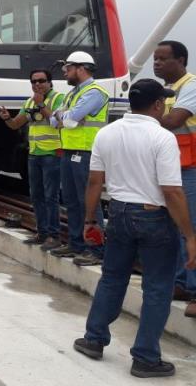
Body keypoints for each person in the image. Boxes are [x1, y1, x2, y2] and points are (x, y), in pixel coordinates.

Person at [72, 79, 196, 378]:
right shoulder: (162, 137)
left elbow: (94, 182)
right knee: (157, 287)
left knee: (113, 279)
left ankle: (94, 339)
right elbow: (172, 192)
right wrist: (190, 235)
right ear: (157, 105)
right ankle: (145, 358)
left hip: (118, 212)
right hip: (154, 216)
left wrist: (90, 220)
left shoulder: (107, 133)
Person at [49, 51, 109, 266]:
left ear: (81, 68)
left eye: (68, 68)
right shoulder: (72, 94)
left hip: (86, 153)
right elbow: (54, 120)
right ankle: (76, 244)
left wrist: (62, 116)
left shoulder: (95, 92)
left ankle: (95, 249)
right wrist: (62, 116)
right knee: (72, 201)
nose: (65, 72)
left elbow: (71, 119)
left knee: (89, 203)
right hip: (69, 151)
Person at [152, 40, 196, 317]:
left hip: (191, 168)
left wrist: (148, 111)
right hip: (171, 169)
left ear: (180, 61)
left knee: (191, 229)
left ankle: (194, 291)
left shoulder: (190, 86)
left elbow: (172, 121)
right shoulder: (166, 93)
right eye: (154, 59)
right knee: (174, 231)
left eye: (162, 59)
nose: (155, 63)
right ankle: (180, 283)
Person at [0, 69, 65, 250]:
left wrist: (42, 104)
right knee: (36, 195)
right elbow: (15, 124)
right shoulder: (29, 102)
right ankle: (42, 233)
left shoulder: (59, 98)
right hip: (34, 154)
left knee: (51, 196)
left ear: (50, 82)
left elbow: (59, 122)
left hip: (52, 154)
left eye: (41, 81)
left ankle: (54, 235)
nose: (37, 84)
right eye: (34, 82)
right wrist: (7, 119)